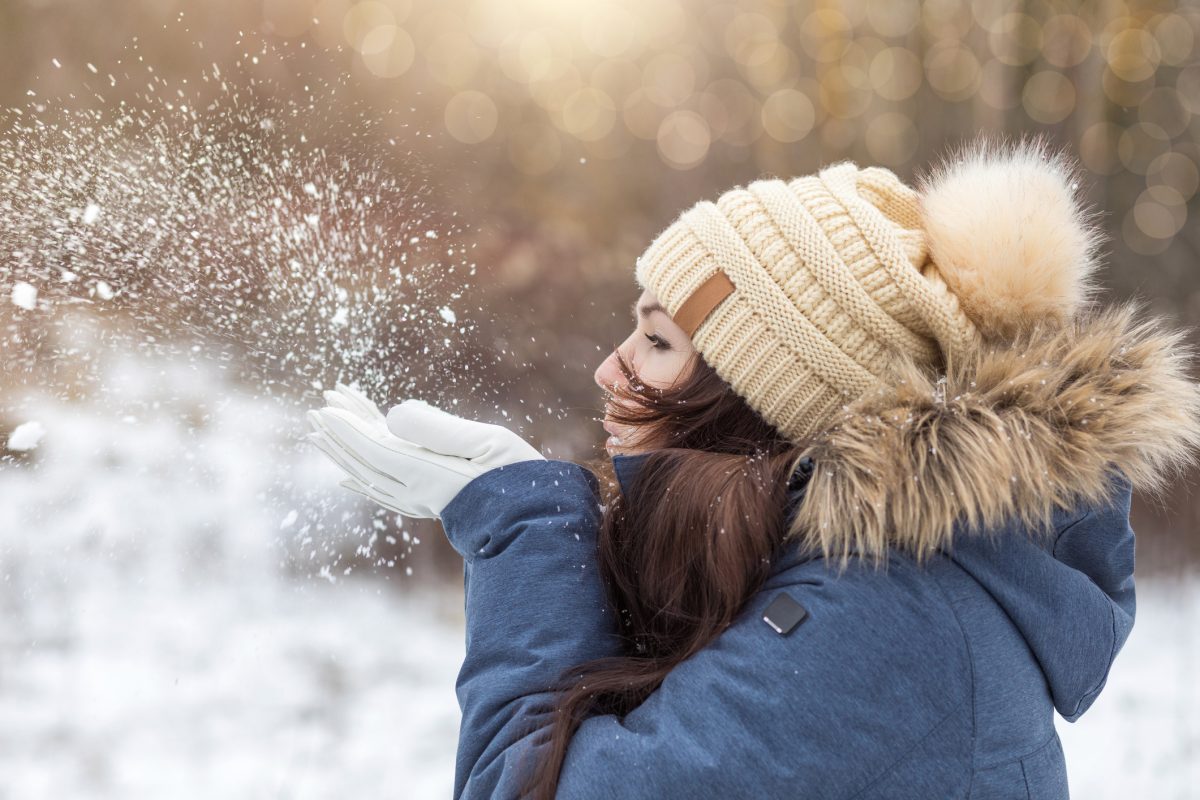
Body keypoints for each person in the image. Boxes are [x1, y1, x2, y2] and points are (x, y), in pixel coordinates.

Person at [306, 133, 1200, 800]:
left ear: (760, 404)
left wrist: (532, 533)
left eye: (657, 341)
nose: (608, 368)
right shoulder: (857, 575)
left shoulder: (887, 622)